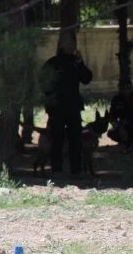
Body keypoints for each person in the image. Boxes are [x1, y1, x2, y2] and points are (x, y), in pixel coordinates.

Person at [39, 39, 93, 175]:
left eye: (72, 45)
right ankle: (57, 169)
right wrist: (51, 96)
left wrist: (81, 63)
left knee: (75, 139)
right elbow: (43, 82)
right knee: (57, 138)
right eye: (67, 45)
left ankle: (76, 170)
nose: (69, 48)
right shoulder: (52, 63)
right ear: (61, 46)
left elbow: (86, 79)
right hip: (56, 107)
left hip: (73, 107)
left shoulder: (76, 62)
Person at [107, 80, 133, 156]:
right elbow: (112, 116)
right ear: (119, 89)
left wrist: (129, 121)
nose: (126, 91)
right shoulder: (116, 99)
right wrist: (119, 126)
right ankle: (128, 145)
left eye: (128, 88)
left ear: (131, 87)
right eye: (123, 89)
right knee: (111, 133)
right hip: (124, 126)